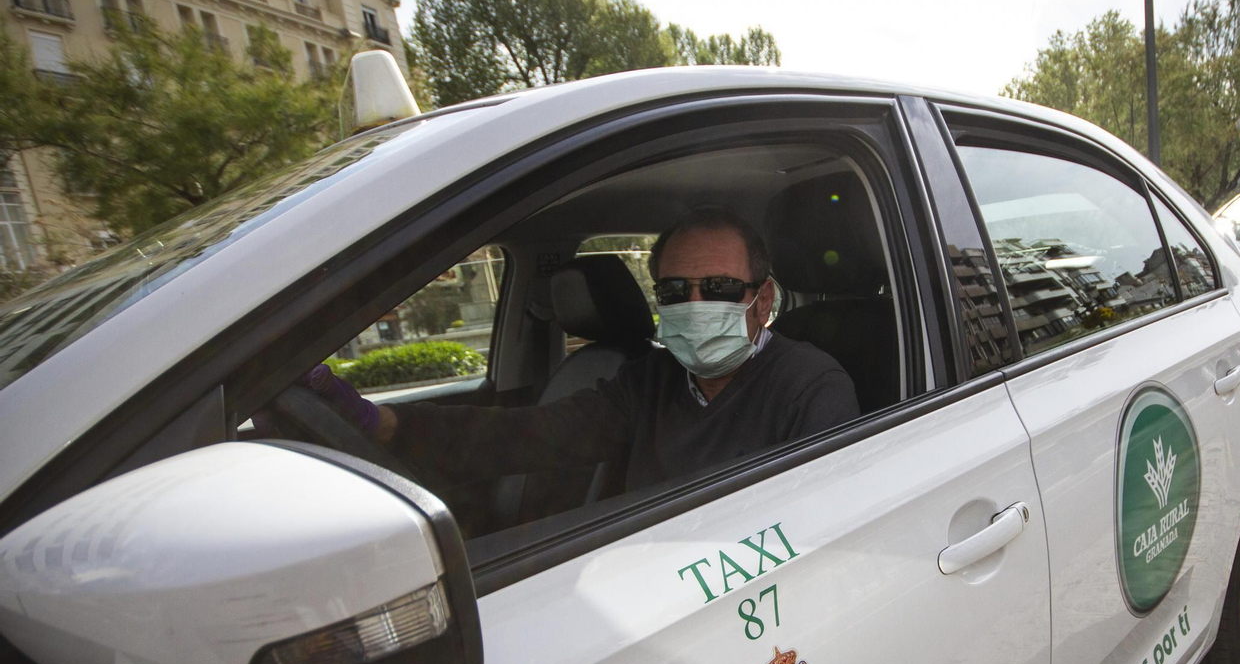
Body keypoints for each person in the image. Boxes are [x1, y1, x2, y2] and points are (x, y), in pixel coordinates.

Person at [306, 206, 861, 499]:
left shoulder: (810, 388)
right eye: (673, 292)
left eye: (717, 288)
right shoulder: (649, 382)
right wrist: (386, 424)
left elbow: (813, 530)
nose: (694, 306)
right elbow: (531, 436)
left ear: (762, 300)